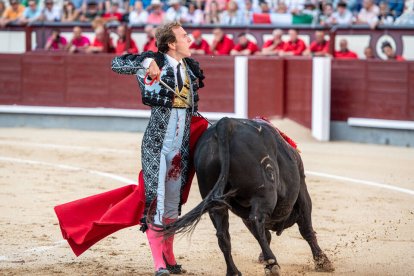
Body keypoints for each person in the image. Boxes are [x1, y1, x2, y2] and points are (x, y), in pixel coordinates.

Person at [111, 21, 205, 276]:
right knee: (157, 202)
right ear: (172, 44)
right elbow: (116, 64)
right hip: (156, 145)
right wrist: (144, 64)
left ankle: (169, 256)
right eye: (185, 36)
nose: (190, 40)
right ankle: (159, 264)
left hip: (180, 149)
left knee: (173, 204)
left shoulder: (190, 69)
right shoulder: (154, 62)